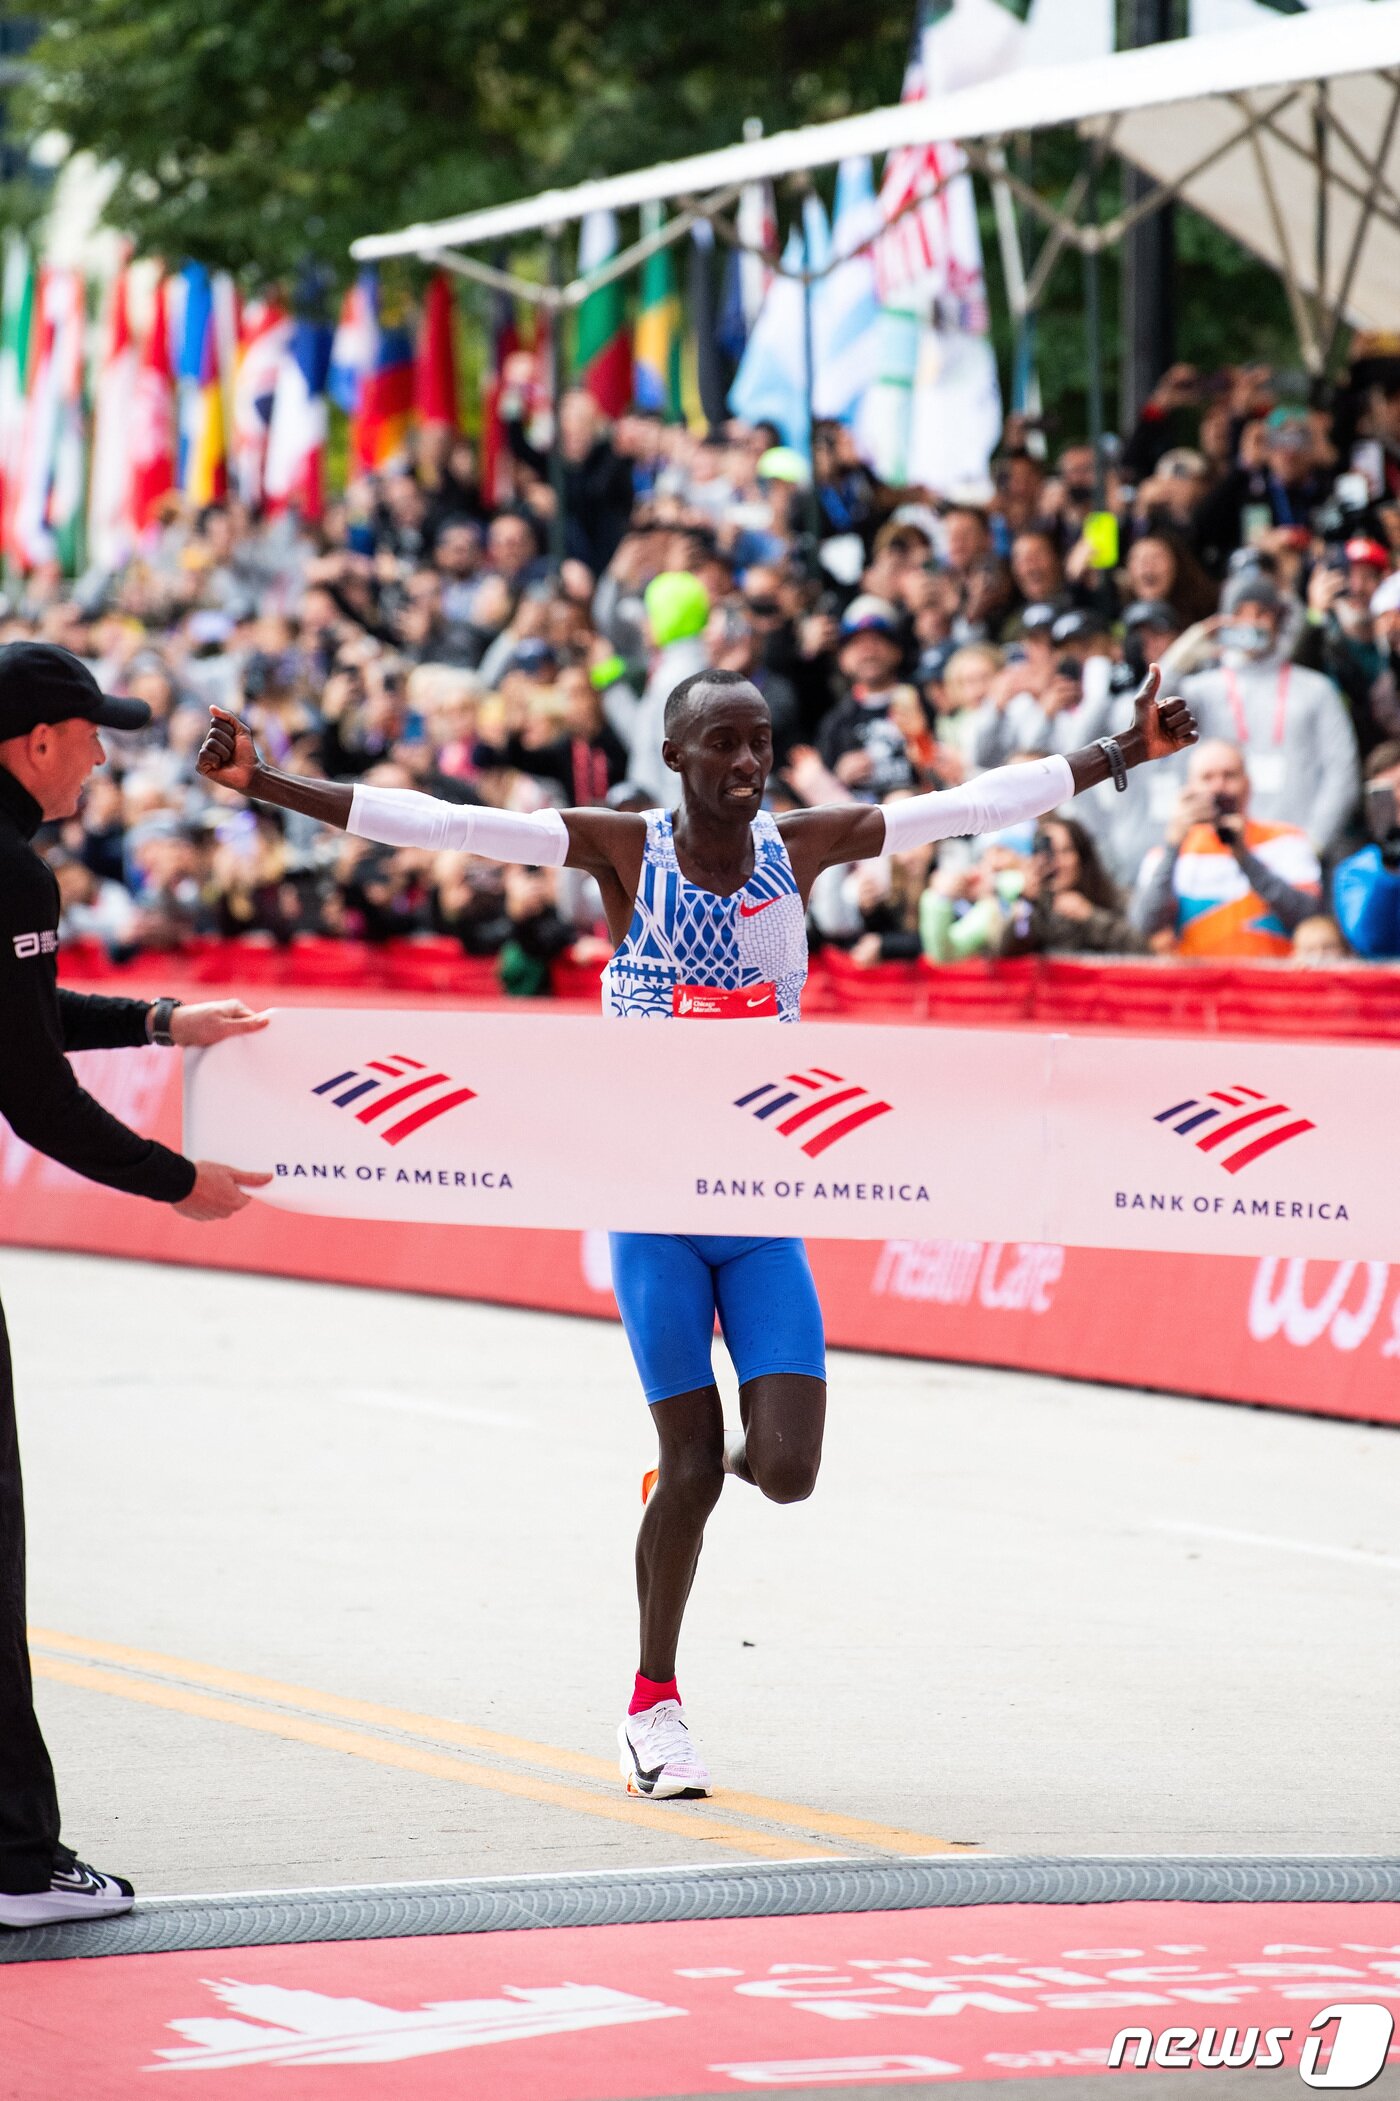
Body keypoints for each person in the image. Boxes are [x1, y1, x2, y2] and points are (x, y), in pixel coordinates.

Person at [198, 662, 1196, 1799]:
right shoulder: (624, 850)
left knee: (784, 1471)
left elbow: (967, 806)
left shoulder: (800, 846)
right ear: (674, 755)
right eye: (721, 743)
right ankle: (652, 1709)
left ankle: (694, 1484)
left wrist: (1123, 754)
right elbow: (449, 824)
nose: (746, 763)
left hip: (764, 1214)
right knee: (689, 1468)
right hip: (656, 1216)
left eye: (760, 741)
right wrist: (268, 785)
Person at [0, 642, 270, 1929]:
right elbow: (35, 1092)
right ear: (33, 742)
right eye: (88, 733)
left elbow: (21, 1015)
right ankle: (13, 1863)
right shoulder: (10, 865)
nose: (102, 755)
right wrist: (177, 1179)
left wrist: (164, 1021)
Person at [1132, 738, 1321, 957]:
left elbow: (1308, 917)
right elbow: (1145, 924)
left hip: (1272, 984)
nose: (1218, 786)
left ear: (1248, 784)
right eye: (1207, 777)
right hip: (1201, 986)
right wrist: (1173, 846)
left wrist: (1244, 857)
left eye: (1229, 775)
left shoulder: (1287, 841)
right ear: (1190, 788)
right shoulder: (1168, 853)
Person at [1001, 815, 1144, 956]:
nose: (1057, 863)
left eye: (1065, 851)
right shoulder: (1037, 905)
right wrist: (1026, 904)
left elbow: (1143, 947)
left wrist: (1089, 916)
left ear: (1081, 856)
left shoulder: (1116, 897)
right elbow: (1006, 952)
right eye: (1049, 853)